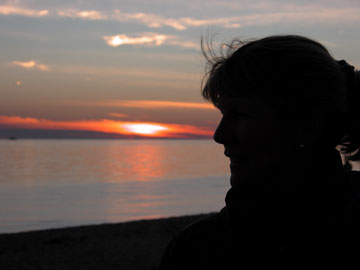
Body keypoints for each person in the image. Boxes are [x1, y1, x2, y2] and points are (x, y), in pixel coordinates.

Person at [158, 35, 360, 268]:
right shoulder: (195, 247)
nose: (220, 135)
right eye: (224, 114)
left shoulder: (201, 249)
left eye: (241, 114)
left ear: (307, 126)